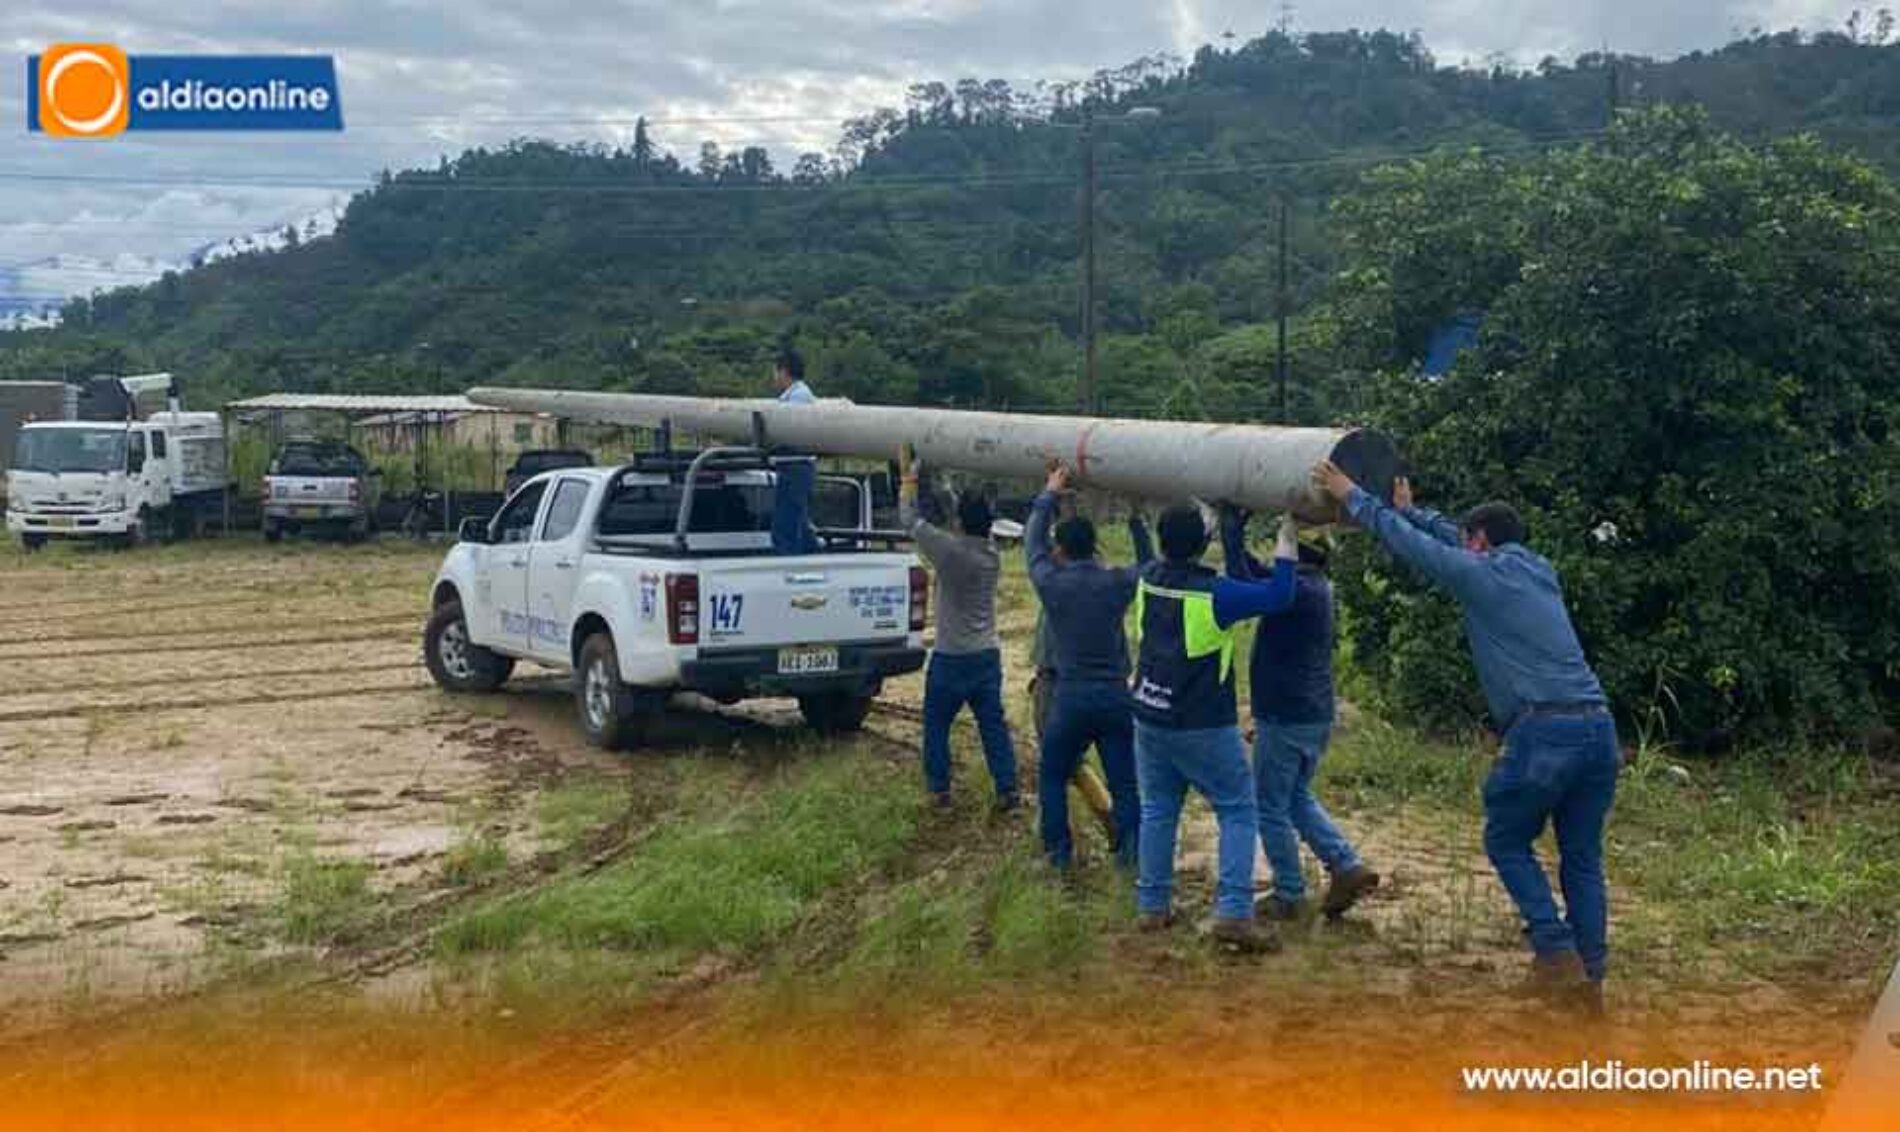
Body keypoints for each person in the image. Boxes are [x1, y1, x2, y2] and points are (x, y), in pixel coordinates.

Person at [1312, 462, 1618, 1013]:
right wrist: (1414, 512)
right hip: (1598, 727)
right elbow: (1446, 537)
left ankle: (1555, 951)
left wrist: (1352, 495)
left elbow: (1417, 548)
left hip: (1543, 731)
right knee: (1581, 858)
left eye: (1467, 540)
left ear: (1479, 543)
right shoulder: (1540, 569)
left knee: (1505, 840)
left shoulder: (1481, 576)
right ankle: (1588, 982)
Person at [1131, 504, 1299, 953]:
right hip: (1202, 722)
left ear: (1163, 539)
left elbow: (1145, 554)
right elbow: (1280, 596)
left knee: (1158, 809)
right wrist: (1287, 534)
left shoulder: (1147, 578)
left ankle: (1152, 906)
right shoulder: (1216, 595)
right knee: (1238, 808)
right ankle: (1235, 913)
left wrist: (1135, 517)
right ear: (1201, 544)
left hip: (1149, 714)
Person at [1220, 509, 1379, 922]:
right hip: (1310, 713)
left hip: (1286, 715)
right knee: (1294, 797)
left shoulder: (1296, 592)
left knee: (1269, 806)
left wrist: (1231, 528)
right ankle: (1345, 864)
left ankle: (1289, 892)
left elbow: (1243, 578)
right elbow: (1254, 574)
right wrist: (1233, 530)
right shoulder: (1312, 585)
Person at [1025, 465, 1152, 871]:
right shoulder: (1115, 582)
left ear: (1060, 550)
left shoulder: (1052, 584)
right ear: (1095, 547)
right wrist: (1136, 519)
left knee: (1052, 776)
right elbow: (1149, 565)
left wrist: (1048, 493)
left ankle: (1058, 856)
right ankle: (1131, 858)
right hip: (1115, 696)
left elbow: (1032, 545)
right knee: (1125, 784)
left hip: (1071, 697)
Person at [897, 446, 1019, 811]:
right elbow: (961, 518)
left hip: (951, 658)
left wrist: (909, 479)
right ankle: (1008, 791)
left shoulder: (949, 552)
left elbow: (909, 518)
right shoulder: (991, 552)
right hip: (985, 656)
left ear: (961, 523)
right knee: (993, 727)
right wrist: (943, 481)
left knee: (936, 727)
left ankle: (940, 791)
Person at [768, 349, 818, 554]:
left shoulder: (799, 396)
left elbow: (788, 430)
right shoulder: (793, 395)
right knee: (799, 524)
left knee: (786, 526)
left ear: (784, 371)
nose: (774, 377)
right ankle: (812, 558)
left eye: (775, 371)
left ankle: (789, 563)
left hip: (796, 466)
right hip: (793, 466)